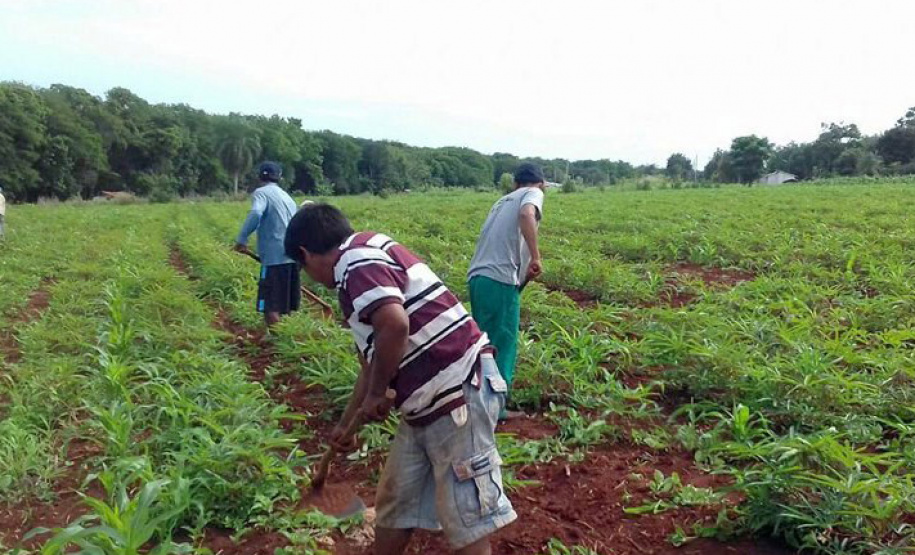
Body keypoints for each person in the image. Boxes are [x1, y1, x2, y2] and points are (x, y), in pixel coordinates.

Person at [284, 204, 516, 555]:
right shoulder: (362, 260)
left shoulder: (355, 260)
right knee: (396, 503)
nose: (309, 276)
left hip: (456, 392)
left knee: (468, 518)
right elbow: (372, 366)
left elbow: (395, 324)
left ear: (306, 254)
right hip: (424, 405)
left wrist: (378, 393)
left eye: (303, 268)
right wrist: (346, 427)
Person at [466, 162, 546, 420]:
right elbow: (526, 215)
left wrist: (522, 280)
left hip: (479, 278)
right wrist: (536, 257)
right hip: (498, 279)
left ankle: (476, 401)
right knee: (502, 344)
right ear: (541, 184)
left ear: (514, 183)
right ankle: (495, 408)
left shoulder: (501, 201)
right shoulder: (532, 194)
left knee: (484, 343)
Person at [234, 161, 300, 327]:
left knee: (269, 305)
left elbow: (256, 212)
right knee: (284, 305)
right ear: (279, 177)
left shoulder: (261, 193)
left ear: (259, 176)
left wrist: (241, 239)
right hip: (292, 255)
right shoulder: (286, 196)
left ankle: (276, 345)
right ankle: (285, 342)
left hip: (274, 257)